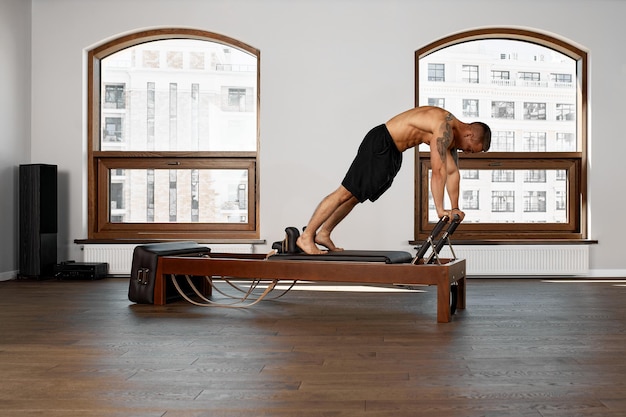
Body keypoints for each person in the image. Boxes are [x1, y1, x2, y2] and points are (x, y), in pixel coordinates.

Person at [296, 106, 491, 255]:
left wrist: (455, 207)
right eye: (471, 148)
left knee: (355, 196)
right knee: (345, 192)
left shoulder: (452, 136)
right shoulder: (444, 129)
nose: (467, 151)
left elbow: (452, 173)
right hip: (382, 143)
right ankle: (306, 237)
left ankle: (324, 233)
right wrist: (440, 209)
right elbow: (438, 172)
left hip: (393, 152)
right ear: (469, 134)